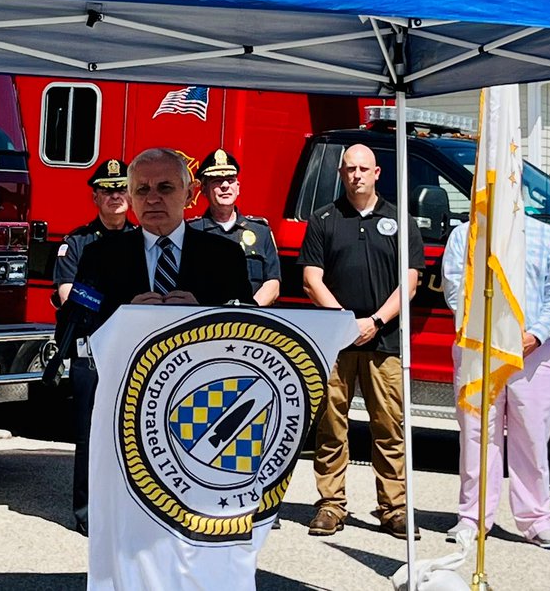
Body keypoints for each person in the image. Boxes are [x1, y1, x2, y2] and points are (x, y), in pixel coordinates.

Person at [299, 143, 424, 540]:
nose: (356, 175)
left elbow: (411, 282)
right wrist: (345, 321)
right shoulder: (323, 219)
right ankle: (331, 506)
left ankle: (395, 510)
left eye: (363, 168)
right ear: (341, 174)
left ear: (376, 174)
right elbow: (310, 279)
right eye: (349, 168)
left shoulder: (400, 220)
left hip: (383, 340)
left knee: (389, 428)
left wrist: (375, 320)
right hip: (336, 342)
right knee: (331, 427)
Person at [442, 216, 550, 550]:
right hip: (478, 352)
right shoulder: (465, 235)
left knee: (530, 436)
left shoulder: (548, 237)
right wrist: (483, 334)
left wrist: (535, 335)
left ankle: (536, 519)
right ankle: (472, 518)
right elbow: (456, 289)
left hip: (532, 354)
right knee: (476, 436)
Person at [51, 157, 137, 535]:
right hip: (91, 349)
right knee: (89, 435)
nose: (116, 196)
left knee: (130, 433)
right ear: (95, 197)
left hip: (135, 349)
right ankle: (87, 512)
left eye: (121, 189)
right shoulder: (78, 242)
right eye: (108, 190)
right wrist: (121, 300)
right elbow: (69, 293)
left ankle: (129, 507)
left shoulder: (145, 241)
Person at [72, 147, 251, 323]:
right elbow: (70, 330)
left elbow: (249, 326)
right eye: (142, 189)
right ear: (131, 198)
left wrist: (202, 314)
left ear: (189, 194)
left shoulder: (224, 256)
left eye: (165, 188)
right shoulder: (100, 257)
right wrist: (122, 316)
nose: (152, 199)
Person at [187, 148, 281, 306]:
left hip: (251, 321)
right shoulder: (190, 232)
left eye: (230, 180)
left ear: (238, 187)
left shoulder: (260, 231)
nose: (225, 186)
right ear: (203, 189)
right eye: (216, 180)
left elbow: (272, 284)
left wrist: (247, 312)